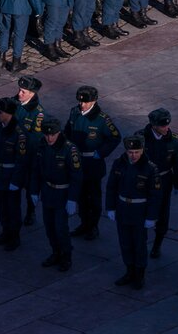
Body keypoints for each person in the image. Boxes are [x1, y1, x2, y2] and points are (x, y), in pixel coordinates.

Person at [64, 85, 122, 240]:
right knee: (81, 195)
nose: (82, 105)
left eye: (86, 102)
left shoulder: (102, 119)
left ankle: (93, 226)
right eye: (80, 101)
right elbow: (67, 132)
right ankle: (84, 223)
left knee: (93, 197)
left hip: (93, 163)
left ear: (94, 101)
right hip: (77, 161)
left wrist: (101, 153)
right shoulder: (74, 112)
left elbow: (115, 137)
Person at [105, 134, 161, 290]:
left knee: (139, 245)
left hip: (139, 211)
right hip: (123, 209)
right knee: (125, 243)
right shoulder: (119, 164)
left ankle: (139, 275)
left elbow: (155, 195)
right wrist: (110, 207)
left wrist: (151, 217)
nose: (133, 155)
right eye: (130, 152)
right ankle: (129, 271)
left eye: (137, 152)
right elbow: (111, 187)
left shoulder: (150, 168)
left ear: (142, 150)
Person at [31, 116, 82, 272]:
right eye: (46, 135)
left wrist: (72, 199)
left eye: (52, 134)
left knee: (61, 227)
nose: (49, 138)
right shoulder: (43, 146)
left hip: (63, 193)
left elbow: (76, 176)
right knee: (49, 226)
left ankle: (66, 255)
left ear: (58, 132)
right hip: (48, 191)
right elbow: (36, 170)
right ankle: (55, 252)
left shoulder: (69, 149)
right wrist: (34, 191)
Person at [138, 108, 178, 258]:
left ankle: (157, 244)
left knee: (163, 214)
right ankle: (141, 242)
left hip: (164, 181)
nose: (166, 128)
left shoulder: (174, 140)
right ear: (153, 125)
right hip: (145, 182)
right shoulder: (141, 138)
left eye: (167, 125)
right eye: (162, 126)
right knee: (142, 211)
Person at [0, 97, 29, 250]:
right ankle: (5, 232)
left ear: (9, 113)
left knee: (13, 208)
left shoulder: (19, 133)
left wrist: (16, 181)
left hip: (11, 174)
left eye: (0, 112)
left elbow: (21, 160)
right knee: (1, 206)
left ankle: (14, 236)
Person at [16, 76, 44, 226]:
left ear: (32, 94)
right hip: (15, 153)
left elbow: (35, 139)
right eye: (19, 90)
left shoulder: (38, 114)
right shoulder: (15, 104)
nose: (19, 94)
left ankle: (30, 211)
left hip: (29, 155)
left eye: (23, 92)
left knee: (29, 185)